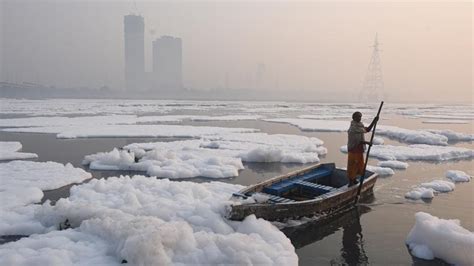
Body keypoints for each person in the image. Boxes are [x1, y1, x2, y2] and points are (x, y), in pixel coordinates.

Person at [347, 112, 378, 186]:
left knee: (359, 165)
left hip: (359, 149)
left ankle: (354, 179)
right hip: (354, 149)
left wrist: (374, 121)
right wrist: (367, 143)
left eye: (360, 117)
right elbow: (358, 141)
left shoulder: (359, 126)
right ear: (354, 118)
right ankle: (351, 181)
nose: (359, 118)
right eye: (358, 117)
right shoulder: (353, 128)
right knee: (353, 165)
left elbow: (367, 129)